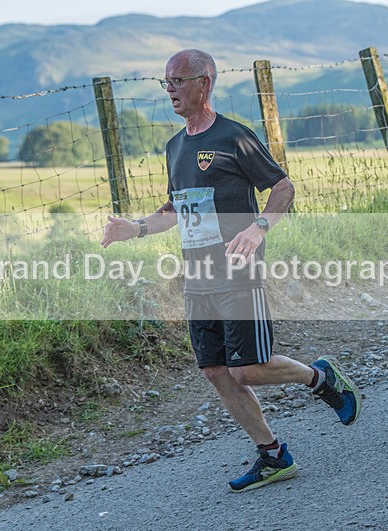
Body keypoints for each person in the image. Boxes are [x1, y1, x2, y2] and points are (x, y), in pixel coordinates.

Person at [101, 49, 361, 492]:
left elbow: (283, 187)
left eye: (178, 81)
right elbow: (175, 208)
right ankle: (273, 455)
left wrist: (259, 227)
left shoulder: (234, 137)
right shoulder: (174, 146)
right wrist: (137, 228)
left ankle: (320, 376)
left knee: (248, 369)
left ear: (205, 82)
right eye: (165, 83)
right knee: (216, 370)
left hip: (238, 270)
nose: (171, 91)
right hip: (197, 275)